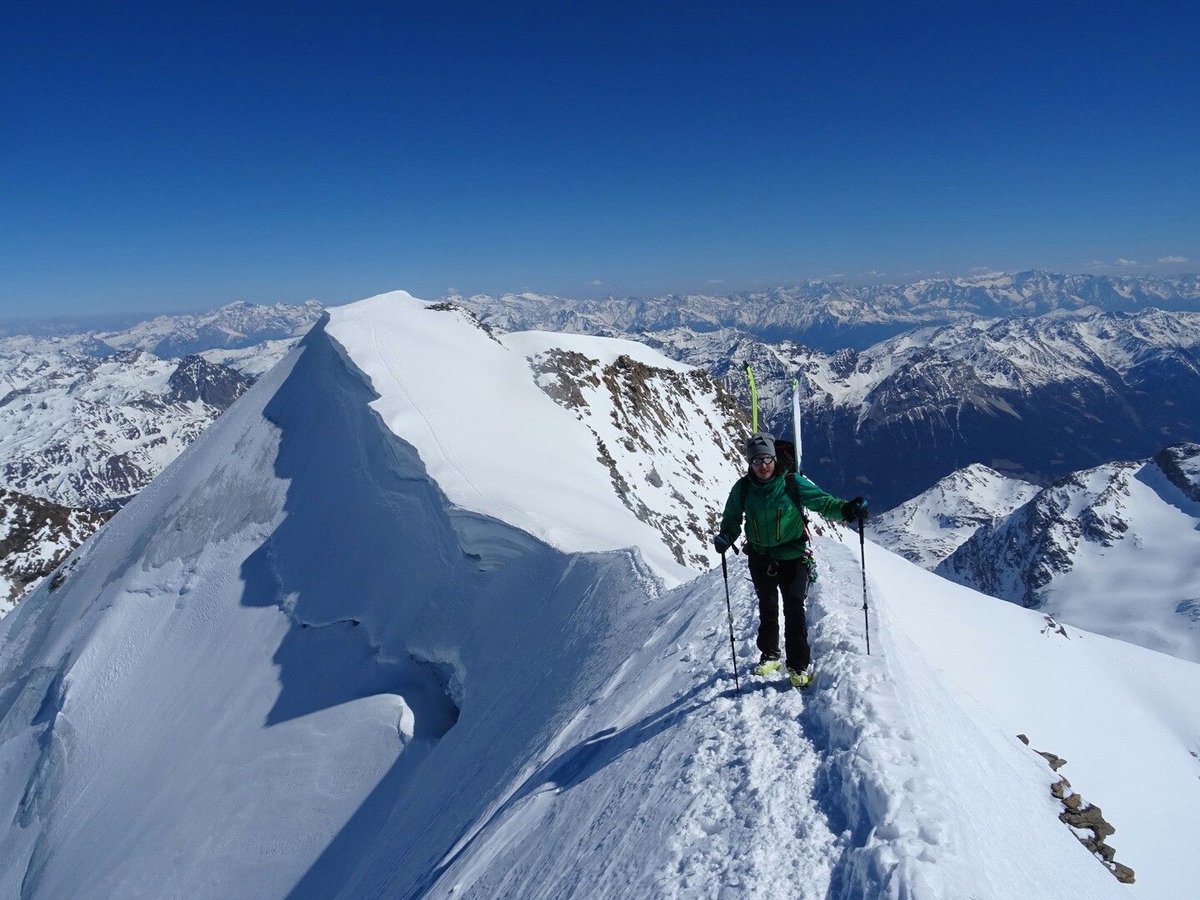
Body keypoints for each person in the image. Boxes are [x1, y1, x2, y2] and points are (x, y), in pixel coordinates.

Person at [713, 432, 868, 687]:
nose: (762, 466)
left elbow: (822, 502)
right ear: (749, 463)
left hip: (793, 554)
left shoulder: (792, 482)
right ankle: (770, 654)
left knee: (794, 607)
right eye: (756, 461)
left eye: (766, 459)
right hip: (761, 555)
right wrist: (726, 536)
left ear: (774, 458)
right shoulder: (742, 489)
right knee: (767, 604)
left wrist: (847, 510)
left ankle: (798, 664)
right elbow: (731, 519)